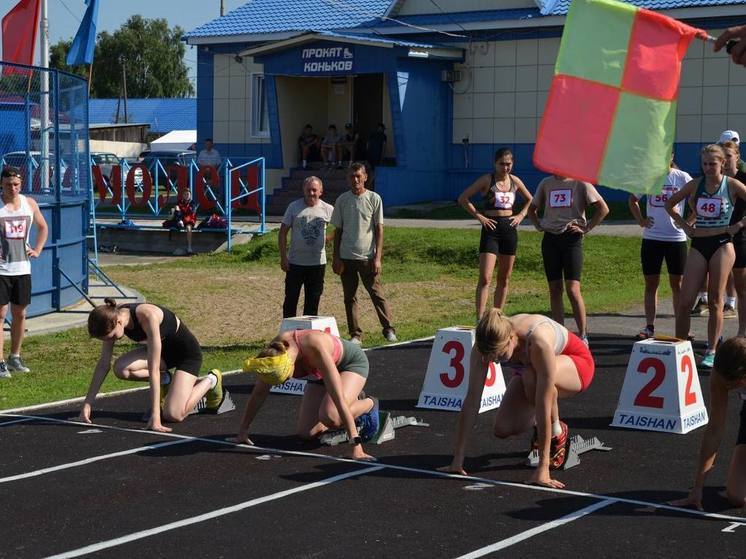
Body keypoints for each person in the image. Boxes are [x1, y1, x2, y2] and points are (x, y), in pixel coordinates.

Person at [440, 309, 595, 488]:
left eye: (498, 356)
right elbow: (472, 399)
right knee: (502, 428)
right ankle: (545, 433)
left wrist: (543, 470)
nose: (495, 361)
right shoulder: (484, 346)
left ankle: (557, 432)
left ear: (511, 339)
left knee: (532, 376)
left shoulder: (537, 341)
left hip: (577, 364)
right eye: (490, 357)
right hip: (531, 372)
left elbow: (543, 403)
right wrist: (458, 459)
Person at [80, 298, 223, 432]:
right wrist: (87, 405)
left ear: (118, 322)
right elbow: (104, 364)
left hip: (187, 356)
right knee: (121, 368)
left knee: (173, 415)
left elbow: (153, 369)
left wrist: (156, 416)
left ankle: (212, 380)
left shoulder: (147, 316)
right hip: (164, 355)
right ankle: (166, 379)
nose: (111, 341)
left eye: (111, 337)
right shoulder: (111, 319)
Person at [237, 328, 379, 461]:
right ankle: (350, 404)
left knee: (331, 417)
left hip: (350, 365)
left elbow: (339, 399)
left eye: (285, 379)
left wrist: (356, 446)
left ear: (289, 365)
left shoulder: (314, 347)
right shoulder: (273, 354)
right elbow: (259, 393)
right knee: (306, 434)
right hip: (322, 373)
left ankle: (369, 404)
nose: (282, 383)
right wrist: (243, 430)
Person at [665, 144, 746, 369]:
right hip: (699, 242)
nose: (709, 167)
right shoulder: (695, 184)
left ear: (722, 163)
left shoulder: (731, 185)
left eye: (713, 163)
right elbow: (669, 204)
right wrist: (685, 226)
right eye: (705, 164)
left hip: (722, 243)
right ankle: (680, 347)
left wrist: (739, 224)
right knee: (685, 301)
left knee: (715, 300)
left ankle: (711, 349)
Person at [527, 175, 609, 345]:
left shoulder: (581, 183)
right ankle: (560, 334)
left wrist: (587, 228)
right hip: (550, 239)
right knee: (555, 289)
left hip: (571, 239)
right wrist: (538, 224)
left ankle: (583, 335)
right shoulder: (545, 183)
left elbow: (603, 208)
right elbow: (532, 208)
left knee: (572, 289)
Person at [670, 337, 746, 510]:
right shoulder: (720, 374)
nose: (726, 387)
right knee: (737, 497)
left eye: (733, 384)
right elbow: (715, 429)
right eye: (725, 383)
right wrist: (698, 488)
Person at [458, 148, 533, 319]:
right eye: (502, 164)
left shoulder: (515, 181)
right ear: (495, 163)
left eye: (508, 164)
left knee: (504, 278)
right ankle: (480, 319)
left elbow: (531, 199)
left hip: (509, 229)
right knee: (485, 278)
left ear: (512, 164)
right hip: (490, 229)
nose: (505, 168)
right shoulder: (487, 180)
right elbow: (463, 198)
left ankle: (497, 317)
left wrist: (521, 215)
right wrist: (479, 217)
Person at [331, 162, 397, 344]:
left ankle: (389, 329)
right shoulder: (342, 200)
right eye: (352, 177)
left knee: (377, 294)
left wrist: (378, 258)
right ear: (347, 179)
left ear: (365, 177)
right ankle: (355, 334)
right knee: (349, 297)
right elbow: (338, 230)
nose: (355, 180)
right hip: (346, 257)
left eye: (359, 176)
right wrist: (335, 257)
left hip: (368, 257)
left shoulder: (374, 199)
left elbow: (379, 230)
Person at [628, 156, 692, 339]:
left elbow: (696, 197)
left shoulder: (682, 177)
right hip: (652, 238)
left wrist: (688, 222)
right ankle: (649, 326)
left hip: (676, 239)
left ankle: (682, 328)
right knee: (651, 283)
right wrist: (641, 220)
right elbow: (632, 200)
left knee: (677, 285)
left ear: (671, 156)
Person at [0, 166, 49, 379]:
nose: (13, 188)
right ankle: (0, 362)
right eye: (9, 184)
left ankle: (15, 356)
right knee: (0, 315)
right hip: (1, 270)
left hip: (22, 269)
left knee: (20, 313)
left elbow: (43, 227)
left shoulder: (29, 204)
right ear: (2, 184)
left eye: (16, 184)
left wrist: (37, 249)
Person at [279, 176, 334, 317]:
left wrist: (328, 237)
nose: (311, 193)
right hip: (295, 263)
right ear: (303, 190)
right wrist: (284, 258)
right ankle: (289, 335)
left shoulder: (328, 209)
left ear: (321, 191)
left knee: (313, 302)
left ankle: (307, 335)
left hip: (317, 264)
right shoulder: (293, 207)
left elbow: (341, 228)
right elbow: (283, 232)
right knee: (290, 301)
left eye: (314, 190)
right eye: (308, 190)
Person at [722, 140, 746, 336]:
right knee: (717, 287)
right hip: (718, 238)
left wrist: (740, 224)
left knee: (741, 287)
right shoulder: (716, 180)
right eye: (723, 156)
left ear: (737, 157)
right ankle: (716, 336)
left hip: (741, 237)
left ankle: (742, 333)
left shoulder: (744, 179)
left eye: (729, 156)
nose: (726, 160)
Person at [171, 189, 198, 256]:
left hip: (190, 219)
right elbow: (177, 212)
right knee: (175, 227)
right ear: (183, 195)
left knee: (188, 228)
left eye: (188, 194)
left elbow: (191, 213)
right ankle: (177, 247)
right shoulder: (179, 202)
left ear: (190, 195)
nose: (186, 196)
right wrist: (179, 220)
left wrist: (183, 218)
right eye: (185, 194)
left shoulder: (193, 202)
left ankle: (189, 247)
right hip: (181, 219)